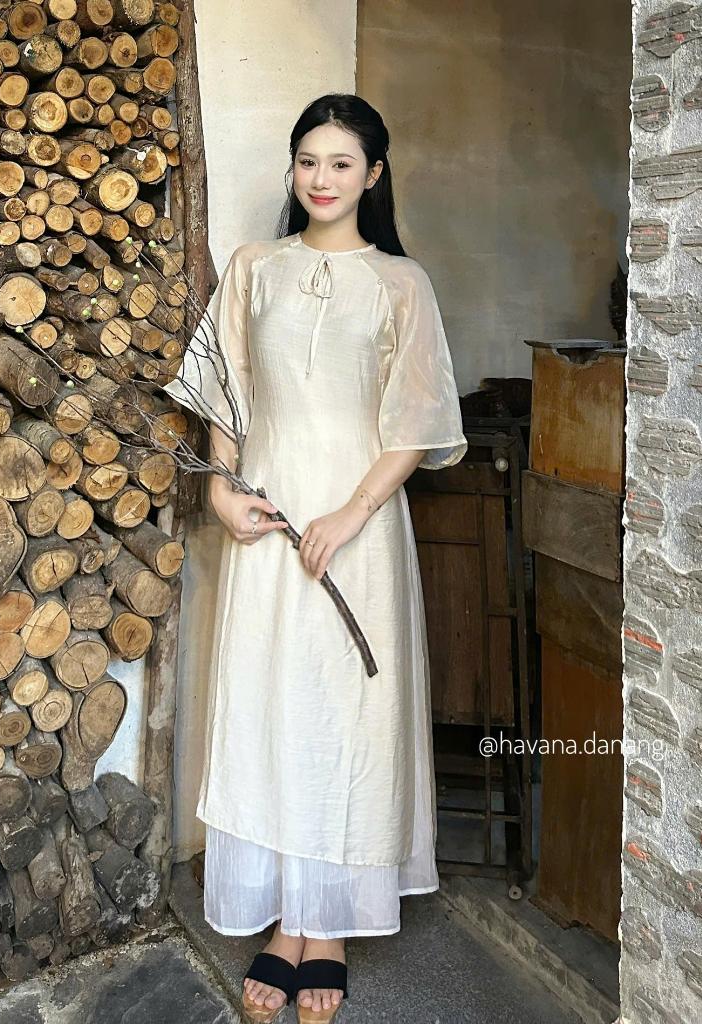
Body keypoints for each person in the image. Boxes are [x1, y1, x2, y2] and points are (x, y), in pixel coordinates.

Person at [161, 93, 467, 1024]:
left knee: (347, 716)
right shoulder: (253, 268)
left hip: (357, 529)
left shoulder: (402, 282)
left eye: (341, 163)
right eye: (308, 160)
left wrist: (351, 512)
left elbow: (415, 422)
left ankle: (324, 925)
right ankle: (284, 918)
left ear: (374, 174)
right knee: (273, 704)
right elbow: (225, 391)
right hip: (269, 521)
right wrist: (222, 491)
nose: (321, 178)